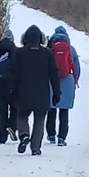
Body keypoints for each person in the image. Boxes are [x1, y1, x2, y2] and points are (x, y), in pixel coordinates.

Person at [10, 24, 61, 156]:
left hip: (23, 92)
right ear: (41, 39)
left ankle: (24, 136)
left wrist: (12, 91)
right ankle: (35, 147)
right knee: (39, 120)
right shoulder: (48, 53)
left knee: (22, 116)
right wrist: (56, 92)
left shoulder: (19, 53)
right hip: (42, 93)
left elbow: (14, 74)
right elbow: (54, 74)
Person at [46, 25, 81, 146]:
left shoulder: (50, 49)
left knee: (51, 109)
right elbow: (77, 68)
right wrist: (74, 80)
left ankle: (51, 135)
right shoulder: (71, 49)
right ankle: (61, 138)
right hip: (67, 81)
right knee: (64, 111)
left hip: (52, 81)